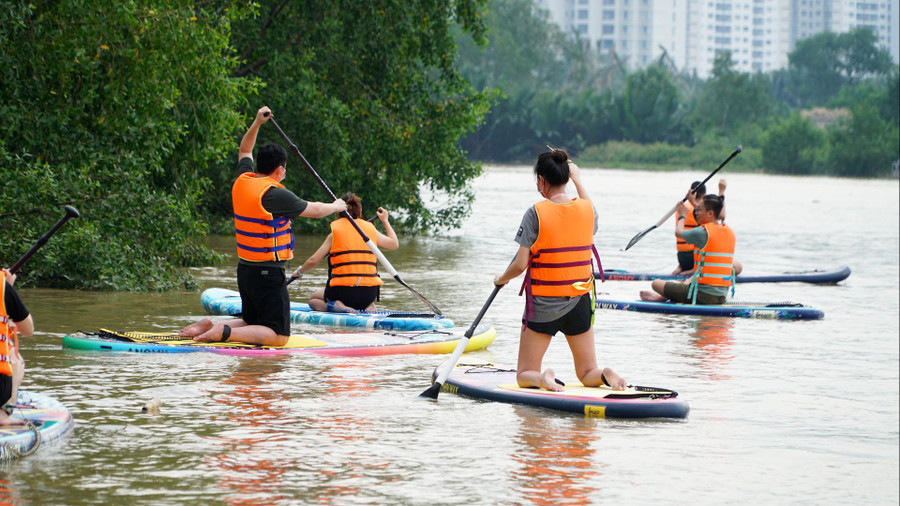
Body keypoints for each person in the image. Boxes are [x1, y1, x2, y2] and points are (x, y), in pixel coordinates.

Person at [179, 106, 347, 345]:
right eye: (284, 169)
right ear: (279, 170)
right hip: (268, 273)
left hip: (245, 270)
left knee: (253, 321)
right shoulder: (275, 194)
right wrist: (336, 206)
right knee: (279, 337)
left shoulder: (243, 179)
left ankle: (212, 325)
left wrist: (257, 123)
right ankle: (222, 332)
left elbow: (245, 149)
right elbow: (315, 210)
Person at [493, 149, 626, 393]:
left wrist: (501, 279)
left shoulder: (535, 213)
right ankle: (603, 374)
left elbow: (520, 264)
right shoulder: (586, 210)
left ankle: (542, 378)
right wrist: (578, 179)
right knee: (587, 372)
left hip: (545, 303)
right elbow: (590, 210)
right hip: (580, 301)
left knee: (524, 374)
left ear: (541, 181)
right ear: (567, 179)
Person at [293, 193, 398, 313]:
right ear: (360, 212)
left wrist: (300, 271)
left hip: (342, 293)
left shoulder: (334, 234)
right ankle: (370, 307)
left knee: (313, 299)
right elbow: (394, 244)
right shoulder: (370, 231)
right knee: (365, 295)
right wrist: (385, 221)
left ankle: (339, 306)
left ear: (338, 212)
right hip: (369, 294)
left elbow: (313, 260)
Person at [641, 194, 736, 305]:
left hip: (704, 296)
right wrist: (693, 202)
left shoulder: (702, 232)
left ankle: (662, 297)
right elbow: (713, 213)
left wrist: (682, 215)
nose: (696, 212)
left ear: (710, 213)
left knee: (656, 283)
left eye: (699, 210)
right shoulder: (728, 231)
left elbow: (678, 233)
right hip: (721, 296)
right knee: (687, 280)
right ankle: (664, 297)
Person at [0, 268, 33, 426]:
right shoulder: (3, 288)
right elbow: (28, 330)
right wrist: (9, 288)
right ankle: (2, 414)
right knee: (15, 357)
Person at [672, 181, 706, 275]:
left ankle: (679, 269)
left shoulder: (682, 209)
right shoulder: (701, 211)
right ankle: (692, 271)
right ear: (704, 195)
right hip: (693, 257)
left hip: (681, 256)